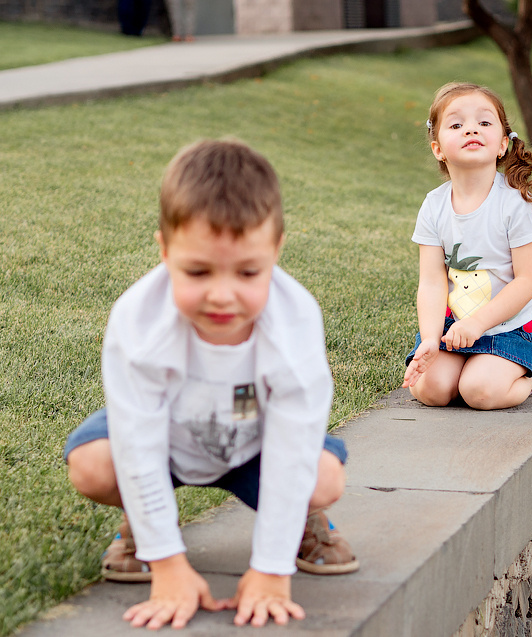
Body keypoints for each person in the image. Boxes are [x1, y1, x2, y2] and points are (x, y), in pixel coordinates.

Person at [64, 139, 358, 630]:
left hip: (255, 446)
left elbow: (292, 447)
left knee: (323, 477)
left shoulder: (294, 320)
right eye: (197, 271)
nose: (222, 295)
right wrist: (168, 564)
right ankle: (144, 527)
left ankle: (299, 528)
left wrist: (270, 569)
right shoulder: (139, 319)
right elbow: (136, 444)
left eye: (248, 271)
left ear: (276, 250)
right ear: (164, 250)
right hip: (165, 442)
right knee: (93, 465)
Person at [402, 82, 532, 410]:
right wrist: (430, 338)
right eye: (457, 124)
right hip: (453, 327)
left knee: (480, 392)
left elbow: (527, 280)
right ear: (438, 148)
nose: (471, 129)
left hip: (510, 327)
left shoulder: (516, 204)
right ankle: (464, 365)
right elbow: (431, 281)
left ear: (502, 144)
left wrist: (476, 324)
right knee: (430, 389)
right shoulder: (434, 206)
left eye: (484, 122)